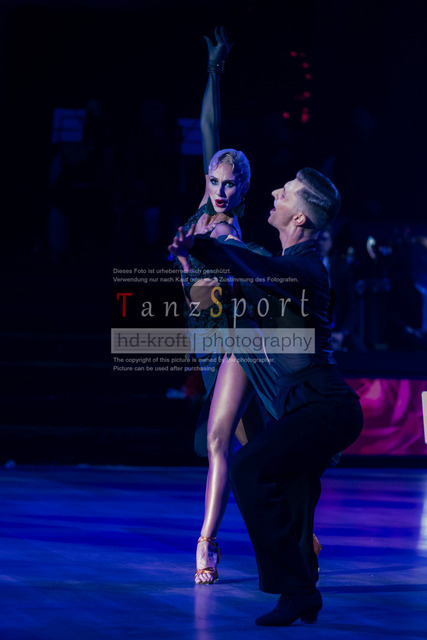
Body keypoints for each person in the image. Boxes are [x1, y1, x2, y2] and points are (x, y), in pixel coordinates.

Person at [169, 167, 363, 625]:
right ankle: (302, 593)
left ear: (299, 218)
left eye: (287, 192)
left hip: (325, 406)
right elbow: (233, 291)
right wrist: (191, 262)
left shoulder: (305, 268)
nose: (275, 192)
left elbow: (256, 267)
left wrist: (205, 245)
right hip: (304, 408)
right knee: (294, 497)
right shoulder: (286, 268)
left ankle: (295, 589)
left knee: (248, 468)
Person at [173, 27, 265, 585]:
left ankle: (206, 543)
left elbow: (206, 293)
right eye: (214, 180)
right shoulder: (202, 211)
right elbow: (209, 127)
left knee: (219, 443)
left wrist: (190, 263)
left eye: (230, 185)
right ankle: (298, 530)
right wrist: (214, 69)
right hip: (206, 347)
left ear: (243, 191)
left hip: (231, 344)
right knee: (253, 453)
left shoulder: (228, 234)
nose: (220, 190)